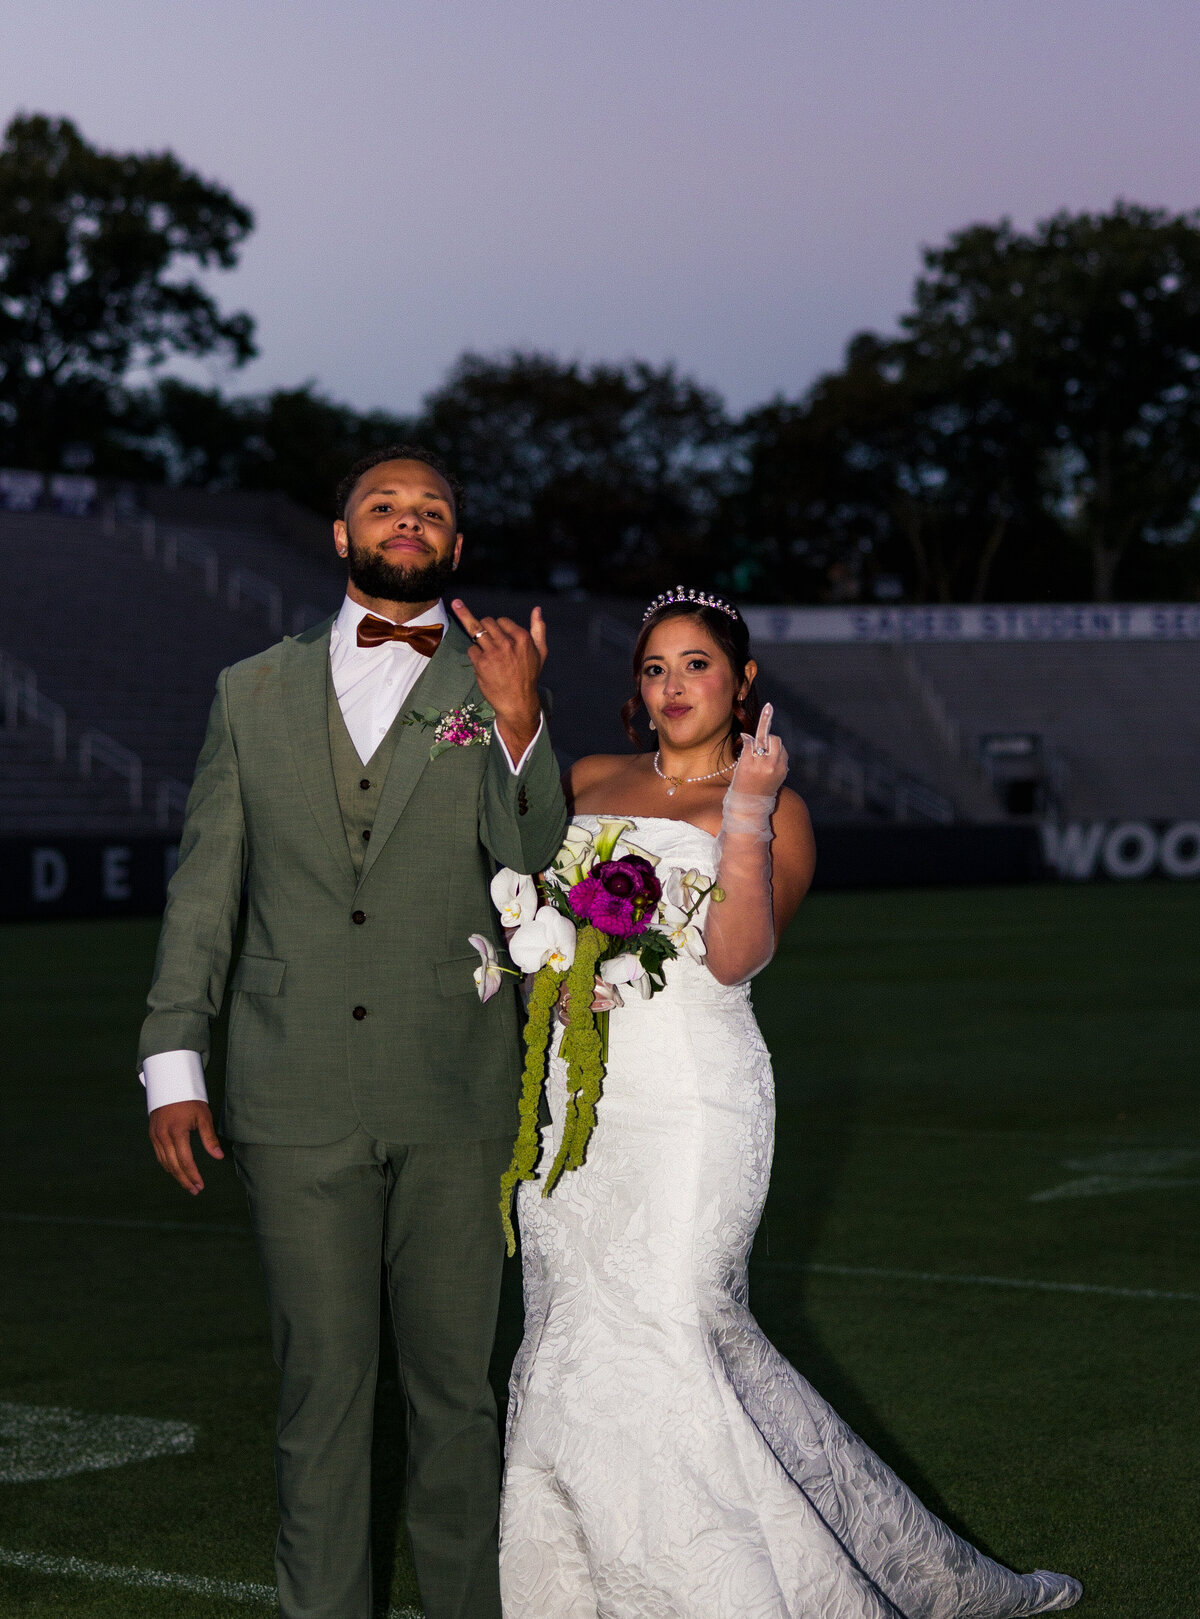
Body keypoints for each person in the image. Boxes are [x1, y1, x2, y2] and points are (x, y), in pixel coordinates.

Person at [499, 589, 1082, 1618]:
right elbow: (513, 884)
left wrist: (749, 815)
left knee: (675, 1323)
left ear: (742, 681)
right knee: (570, 1338)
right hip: (573, 1095)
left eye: (696, 666)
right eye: (653, 668)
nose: (672, 686)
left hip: (690, 1098)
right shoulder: (587, 778)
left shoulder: (778, 802)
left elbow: (733, 956)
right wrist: (554, 951)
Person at [138, 447, 567, 1619]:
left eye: (432, 508)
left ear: (458, 547)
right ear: (340, 534)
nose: (409, 519)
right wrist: (174, 1057)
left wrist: (523, 728)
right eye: (385, 503)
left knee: (455, 1398)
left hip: (455, 1091)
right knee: (320, 1393)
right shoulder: (249, 691)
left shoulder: (496, 685)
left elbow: (536, 870)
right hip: (293, 1094)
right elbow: (204, 888)